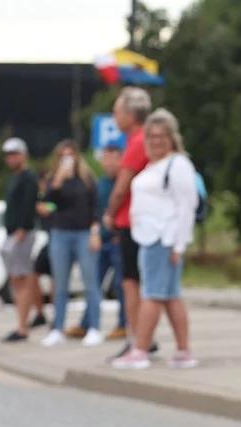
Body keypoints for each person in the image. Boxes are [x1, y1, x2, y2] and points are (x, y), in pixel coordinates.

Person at [110, 110, 199, 370]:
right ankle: (183, 351)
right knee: (170, 296)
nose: (155, 141)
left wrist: (179, 244)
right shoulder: (153, 165)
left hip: (164, 238)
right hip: (149, 238)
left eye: (161, 136)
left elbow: (186, 206)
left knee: (151, 295)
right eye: (151, 136)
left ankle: (140, 349)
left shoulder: (178, 164)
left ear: (172, 138)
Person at [36, 139, 104, 348]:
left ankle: (94, 327)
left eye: (70, 155)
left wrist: (95, 231)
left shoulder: (87, 179)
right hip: (60, 233)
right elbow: (47, 202)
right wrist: (57, 180)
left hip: (84, 232)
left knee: (90, 283)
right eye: (62, 156)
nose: (67, 159)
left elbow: (95, 208)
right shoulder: (54, 180)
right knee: (60, 285)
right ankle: (57, 328)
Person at [101, 87, 153, 359]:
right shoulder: (146, 138)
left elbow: (121, 187)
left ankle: (137, 339)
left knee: (131, 283)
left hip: (130, 221)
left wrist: (109, 213)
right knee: (142, 283)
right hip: (144, 221)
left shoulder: (136, 141)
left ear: (131, 114)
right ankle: (144, 336)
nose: (114, 116)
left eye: (117, 111)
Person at [0, 137, 42, 342]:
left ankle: (23, 327)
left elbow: (29, 205)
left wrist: (23, 229)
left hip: (21, 234)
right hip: (12, 233)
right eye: (8, 155)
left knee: (22, 278)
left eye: (14, 154)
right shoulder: (14, 178)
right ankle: (23, 322)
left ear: (23, 155)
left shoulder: (28, 178)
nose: (11, 158)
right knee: (17, 279)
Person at [92, 145, 127, 339]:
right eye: (105, 160)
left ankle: (124, 324)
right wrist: (95, 232)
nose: (109, 164)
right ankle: (88, 323)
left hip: (119, 239)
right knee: (94, 282)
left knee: (121, 285)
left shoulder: (125, 181)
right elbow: (95, 213)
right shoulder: (101, 184)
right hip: (102, 240)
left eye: (113, 159)